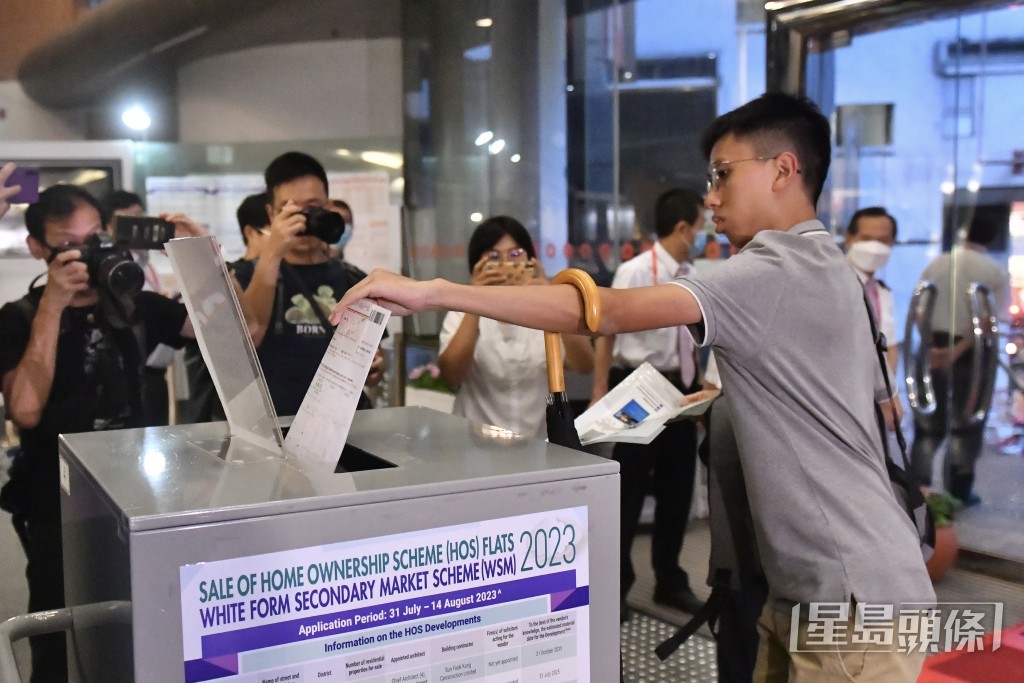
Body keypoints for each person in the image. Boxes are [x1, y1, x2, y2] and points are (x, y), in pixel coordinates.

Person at [332, 92, 935, 681]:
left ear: (783, 169)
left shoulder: (771, 267)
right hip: (825, 582)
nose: (712, 197)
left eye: (724, 175)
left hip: (850, 592)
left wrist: (435, 291)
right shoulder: (830, 266)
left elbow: (604, 312)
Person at [0, 184, 215, 682]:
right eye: (68, 243)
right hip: (54, 504)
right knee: (58, 633)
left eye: (94, 237)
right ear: (38, 249)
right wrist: (54, 305)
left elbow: (232, 329)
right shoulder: (18, 318)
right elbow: (26, 411)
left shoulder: (136, 305)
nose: (86, 253)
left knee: (142, 627)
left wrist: (200, 255)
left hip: (138, 499)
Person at [590, 188, 705, 619]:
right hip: (636, 386)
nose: (700, 233)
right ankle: (615, 589)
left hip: (678, 389)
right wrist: (601, 388)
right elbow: (606, 328)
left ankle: (670, 581)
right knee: (629, 490)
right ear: (682, 227)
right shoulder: (636, 270)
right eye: (698, 226)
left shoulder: (690, 273)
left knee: (678, 488)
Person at [233, 152, 383, 417]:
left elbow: (375, 355)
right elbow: (246, 339)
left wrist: (376, 365)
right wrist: (272, 253)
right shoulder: (243, 276)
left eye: (312, 209)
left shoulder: (353, 279)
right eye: (289, 210)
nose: (302, 220)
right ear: (271, 215)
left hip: (341, 429)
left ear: (327, 207)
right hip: (271, 430)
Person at [438, 216, 593, 439]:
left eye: (515, 255)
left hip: (535, 442)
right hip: (475, 442)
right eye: (493, 256)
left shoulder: (543, 311)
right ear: (476, 264)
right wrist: (475, 299)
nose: (505, 265)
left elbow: (585, 364)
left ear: (530, 260)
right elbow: (451, 375)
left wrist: (552, 299)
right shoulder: (461, 311)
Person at [910, 214, 1010, 506]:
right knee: (966, 423)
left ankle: (919, 487)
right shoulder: (993, 270)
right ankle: (959, 489)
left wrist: (932, 345)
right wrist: (957, 350)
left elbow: (919, 308)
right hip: (972, 354)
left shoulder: (938, 263)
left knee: (928, 424)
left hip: (931, 347)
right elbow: (989, 322)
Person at [177, 192, 271, 424]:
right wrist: (205, 257)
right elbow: (248, 330)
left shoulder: (290, 277)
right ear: (251, 232)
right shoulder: (233, 276)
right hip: (222, 413)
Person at [102, 189, 173, 426]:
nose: (138, 227)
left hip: (155, 371)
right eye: (128, 221)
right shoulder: (116, 268)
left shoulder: (147, 263)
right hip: (133, 374)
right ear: (109, 227)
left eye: (141, 217)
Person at [845, 206, 899, 371]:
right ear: (849, 239)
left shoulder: (882, 292)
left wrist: (887, 393)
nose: (874, 247)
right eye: (867, 239)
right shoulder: (829, 281)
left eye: (883, 241)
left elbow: (890, 347)